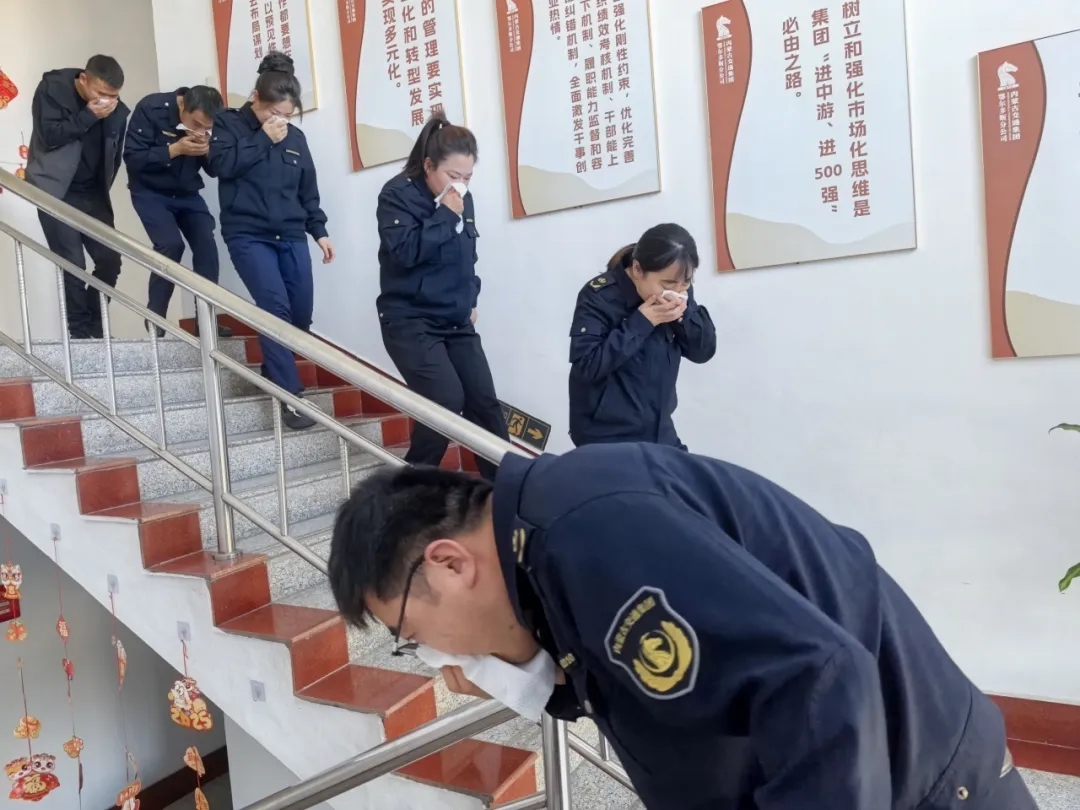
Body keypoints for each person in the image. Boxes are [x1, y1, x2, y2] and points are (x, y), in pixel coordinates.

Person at [328, 444, 1038, 810]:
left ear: (450, 564)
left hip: (925, 785)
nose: (429, 654)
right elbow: (654, 679)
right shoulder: (548, 545)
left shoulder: (588, 533)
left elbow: (818, 679)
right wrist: (526, 669)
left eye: (410, 634)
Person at [375, 114, 508, 480]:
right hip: (410, 320)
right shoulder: (397, 195)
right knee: (445, 402)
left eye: (467, 177)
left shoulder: (464, 199)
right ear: (429, 165)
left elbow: (468, 257)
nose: (460, 185)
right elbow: (405, 254)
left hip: (455, 320)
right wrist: (445, 215)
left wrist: (471, 299)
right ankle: (409, 489)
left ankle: (507, 491)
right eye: (453, 175)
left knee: (485, 404)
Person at [208, 53, 333, 431]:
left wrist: (319, 231)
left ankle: (272, 366)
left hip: (291, 234)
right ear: (255, 99)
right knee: (274, 310)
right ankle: (290, 398)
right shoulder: (229, 124)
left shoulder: (296, 138)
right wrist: (262, 139)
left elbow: (307, 190)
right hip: (248, 234)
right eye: (273, 113)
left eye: (287, 116)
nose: (280, 122)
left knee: (300, 316)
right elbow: (220, 166)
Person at [569, 224, 716, 450]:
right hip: (605, 435)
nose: (676, 291)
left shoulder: (680, 289)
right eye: (667, 284)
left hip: (659, 429)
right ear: (638, 269)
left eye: (686, 283)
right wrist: (642, 322)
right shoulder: (599, 296)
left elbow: (702, 352)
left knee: (689, 472)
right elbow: (588, 366)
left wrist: (684, 316)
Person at [25, 55, 130, 340]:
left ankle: (95, 325)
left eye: (114, 96)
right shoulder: (52, 89)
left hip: (92, 194)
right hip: (55, 191)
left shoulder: (117, 110)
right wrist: (89, 115)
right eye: (101, 93)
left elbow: (114, 153)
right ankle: (79, 332)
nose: (107, 101)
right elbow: (50, 135)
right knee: (73, 263)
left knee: (110, 260)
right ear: (83, 79)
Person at [123, 85, 232, 338]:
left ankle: (206, 322)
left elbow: (215, 170)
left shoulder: (213, 124)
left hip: (187, 192)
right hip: (150, 192)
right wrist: (174, 150)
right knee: (170, 245)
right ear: (183, 106)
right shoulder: (151, 107)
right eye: (196, 124)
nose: (200, 131)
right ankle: (156, 318)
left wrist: (209, 149)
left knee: (206, 245)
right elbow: (133, 158)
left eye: (207, 128)